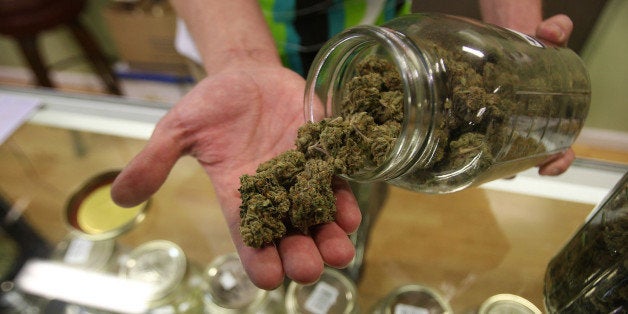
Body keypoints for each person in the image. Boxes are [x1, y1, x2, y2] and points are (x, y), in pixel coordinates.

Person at [111, 0, 576, 290]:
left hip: (382, 45)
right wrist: (242, 59)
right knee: (344, 197)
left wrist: (522, 52)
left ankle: (350, 261)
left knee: (363, 194)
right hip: (229, 41)